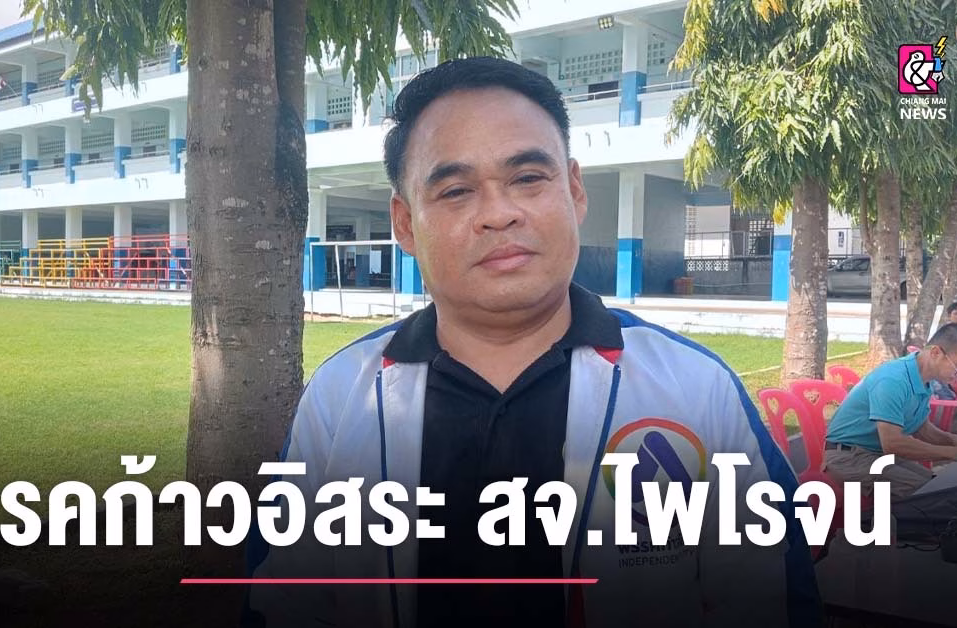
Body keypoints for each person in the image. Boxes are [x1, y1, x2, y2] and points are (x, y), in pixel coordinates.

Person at [246, 57, 820, 628]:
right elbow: (278, 600)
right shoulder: (342, 395)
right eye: (455, 190)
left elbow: (773, 599)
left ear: (574, 190)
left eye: (527, 178)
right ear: (405, 223)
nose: (498, 214)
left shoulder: (694, 389)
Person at [824, 323, 957, 499]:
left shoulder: (924, 377)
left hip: (876, 453)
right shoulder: (893, 380)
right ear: (936, 353)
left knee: (939, 484)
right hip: (849, 456)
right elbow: (893, 443)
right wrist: (954, 453)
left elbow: (922, 429)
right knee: (933, 496)